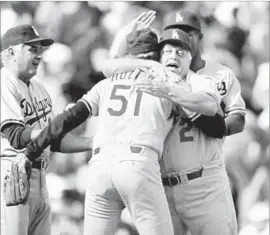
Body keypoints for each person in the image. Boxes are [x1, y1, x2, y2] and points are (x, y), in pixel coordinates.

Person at [20, 27, 220, 235]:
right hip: (138, 165)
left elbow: (67, 120)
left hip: (99, 167)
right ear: (158, 54)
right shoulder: (167, 80)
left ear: (127, 57)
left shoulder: (106, 84)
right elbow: (213, 119)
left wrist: (32, 149)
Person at [106, 10, 246, 235]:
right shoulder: (155, 71)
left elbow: (237, 118)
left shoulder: (217, 74)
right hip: (162, 184)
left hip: (204, 180)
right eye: (172, 34)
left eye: (189, 31)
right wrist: (124, 35)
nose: (183, 35)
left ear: (199, 37)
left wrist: (214, 128)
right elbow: (111, 67)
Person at [0, 25, 92, 235]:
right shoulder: (4, 83)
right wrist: (57, 125)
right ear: (11, 52)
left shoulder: (40, 87)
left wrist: (92, 143)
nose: (39, 55)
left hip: (41, 177)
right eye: (32, 48)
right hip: (11, 173)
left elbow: (53, 139)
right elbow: (16, 136)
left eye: (40, 49)